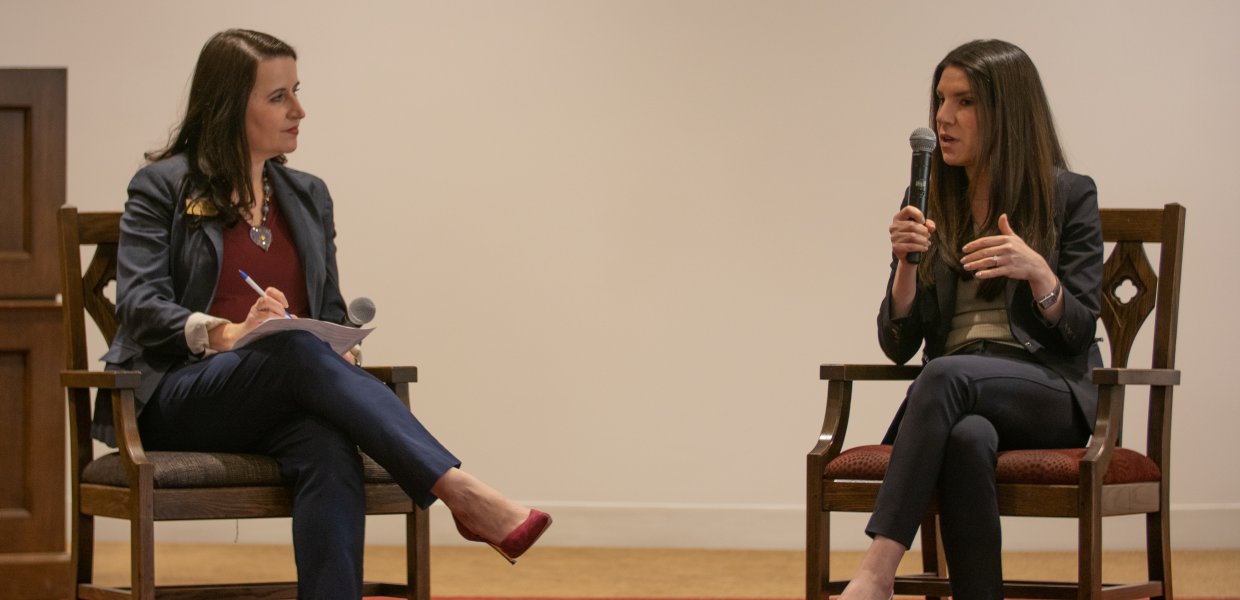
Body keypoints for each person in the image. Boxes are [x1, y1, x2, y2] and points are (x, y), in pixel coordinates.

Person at [101, 29, 551, 599]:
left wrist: (339, 344)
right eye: (278, 97)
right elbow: (139, 306)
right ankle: (459, 490)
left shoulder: (308, 195)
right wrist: (232, 332)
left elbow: (329, 309)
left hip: (281, 393)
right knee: (287, 348)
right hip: (180, 398)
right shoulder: (161, 186)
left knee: (325, 440)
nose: (299, 111)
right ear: (227, 107)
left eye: (296, 91)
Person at [840, 40, 1103, 599]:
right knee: (966, 437)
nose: (942, 117)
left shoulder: (1068, 196)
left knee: (943, 375)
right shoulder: (930, 198)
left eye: (963, 101)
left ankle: (876, 573)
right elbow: (897, 344)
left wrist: (1039, 275)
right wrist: (906, 269)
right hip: (958, 394)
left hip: (1047, 392)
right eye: (939, 99)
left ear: (1006, 111)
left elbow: (1079, 332)